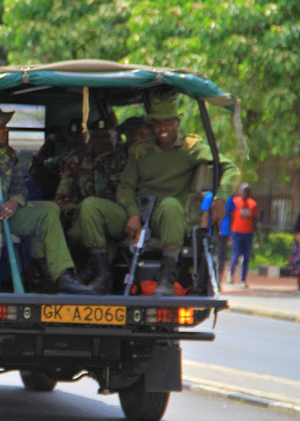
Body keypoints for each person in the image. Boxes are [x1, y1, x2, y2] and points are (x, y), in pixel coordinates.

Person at [81, 99, 239, 296]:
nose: (161, 128)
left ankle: (167, 277)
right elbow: (125, 187)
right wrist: (132, 213)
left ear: (177, 122)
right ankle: (102, 274)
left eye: (167, 122)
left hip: (165, 217)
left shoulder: (191, 148)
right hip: (137, 214)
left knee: (171, 205)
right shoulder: (140, 150)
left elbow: (230, 168)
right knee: (90, 206)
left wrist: (221, 199)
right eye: (156, 123)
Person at [0, 106, 91, 294]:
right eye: (2, 126)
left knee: (47, 212)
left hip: (2, 213)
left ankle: (62, 276)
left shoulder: (7, 154)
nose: (6, 130)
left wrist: (14, 201)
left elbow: (20, 186)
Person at [57, 116, 151, 292]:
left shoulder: (128, 158)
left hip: (121, 219)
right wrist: (77, 212)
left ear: (116, 137)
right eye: (97, 136)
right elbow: (62, 197)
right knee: (88, 216)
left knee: (99, 219)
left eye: (106, 136)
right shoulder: (79, 158)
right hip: (84, 218)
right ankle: (94, 274)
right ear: (90, 138)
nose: (102, 142)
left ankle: (95, 273)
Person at [200, 190, 235, 287]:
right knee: (220, 257)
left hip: (211, 230)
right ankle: (218, 281)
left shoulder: (209, 196)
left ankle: (211, 280)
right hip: (224, 230)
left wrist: (202, 231)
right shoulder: (228, 196)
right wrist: (231, 233)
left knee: (210, 255)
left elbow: (205, 214)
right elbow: (232, 215)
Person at [227, 183, 259, 288]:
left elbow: (254, 220)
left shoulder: (253, 204)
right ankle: (231, 274)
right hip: (237, 232)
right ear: (240, 192)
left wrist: (257, 236)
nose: (245, 193)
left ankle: (243, 279)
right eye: (244, 191)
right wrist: (229, 232)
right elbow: (231, 217)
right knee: (236, 254)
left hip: (248, 234)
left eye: (248, 191)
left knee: (246, 256)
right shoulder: (235, 201)